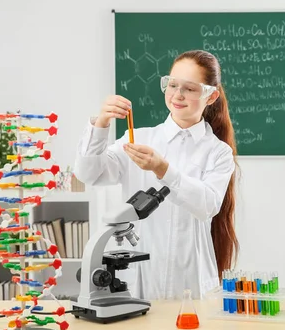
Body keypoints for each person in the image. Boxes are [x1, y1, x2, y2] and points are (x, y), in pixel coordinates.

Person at [74, 50, 239, 300]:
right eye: (172, 84)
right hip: (140, 272)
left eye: (190, 89)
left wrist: (163, 169)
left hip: (191, 277)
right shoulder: (139, 139)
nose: (177, 95)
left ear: (211, 96)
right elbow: (89, 174)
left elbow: (207, 205)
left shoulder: (218, 152)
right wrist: (101, 124)